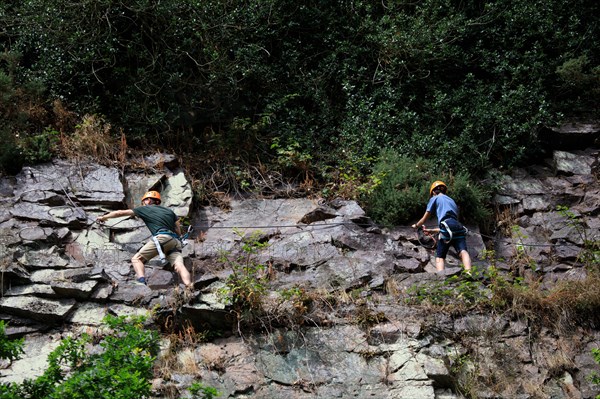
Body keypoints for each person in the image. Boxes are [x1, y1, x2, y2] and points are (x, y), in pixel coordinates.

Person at [97, 190, 193, 288]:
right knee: (179, 266)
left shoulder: (144, 209)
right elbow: (178, 230)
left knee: (136, 259)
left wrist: (103, 218)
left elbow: (120, 213)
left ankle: (141, 282)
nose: (144, 203)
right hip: (175, 242)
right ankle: (189, 286)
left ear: (148, 201)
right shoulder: (170, 211)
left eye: (144, 201)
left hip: (162, 238)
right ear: (157, 201)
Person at [412, 181, 472, 274]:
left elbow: (424, 219)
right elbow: (450, 226)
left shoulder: (435, 198)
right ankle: (469, 272)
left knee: (440, 256)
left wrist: (416, 226)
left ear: (433, 192)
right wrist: (431, 230)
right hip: (457, 227)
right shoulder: (451, 200)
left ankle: (441, 277)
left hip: (447, 226)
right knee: (463, 251)